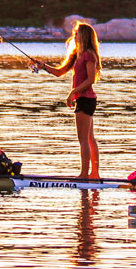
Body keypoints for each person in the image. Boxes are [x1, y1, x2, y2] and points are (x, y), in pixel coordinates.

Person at [37, 22, 101, 179]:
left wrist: (73, 92)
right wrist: (44, 66)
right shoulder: (76, 55)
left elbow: (91, 79)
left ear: (84, 35)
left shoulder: (88, 54)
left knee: (84, 139)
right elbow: (60, 72)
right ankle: (93, 174)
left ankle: (86, 174)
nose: (74, 35)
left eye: (77, 33)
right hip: (83, 99)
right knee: (89, 138)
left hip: (86, 99)